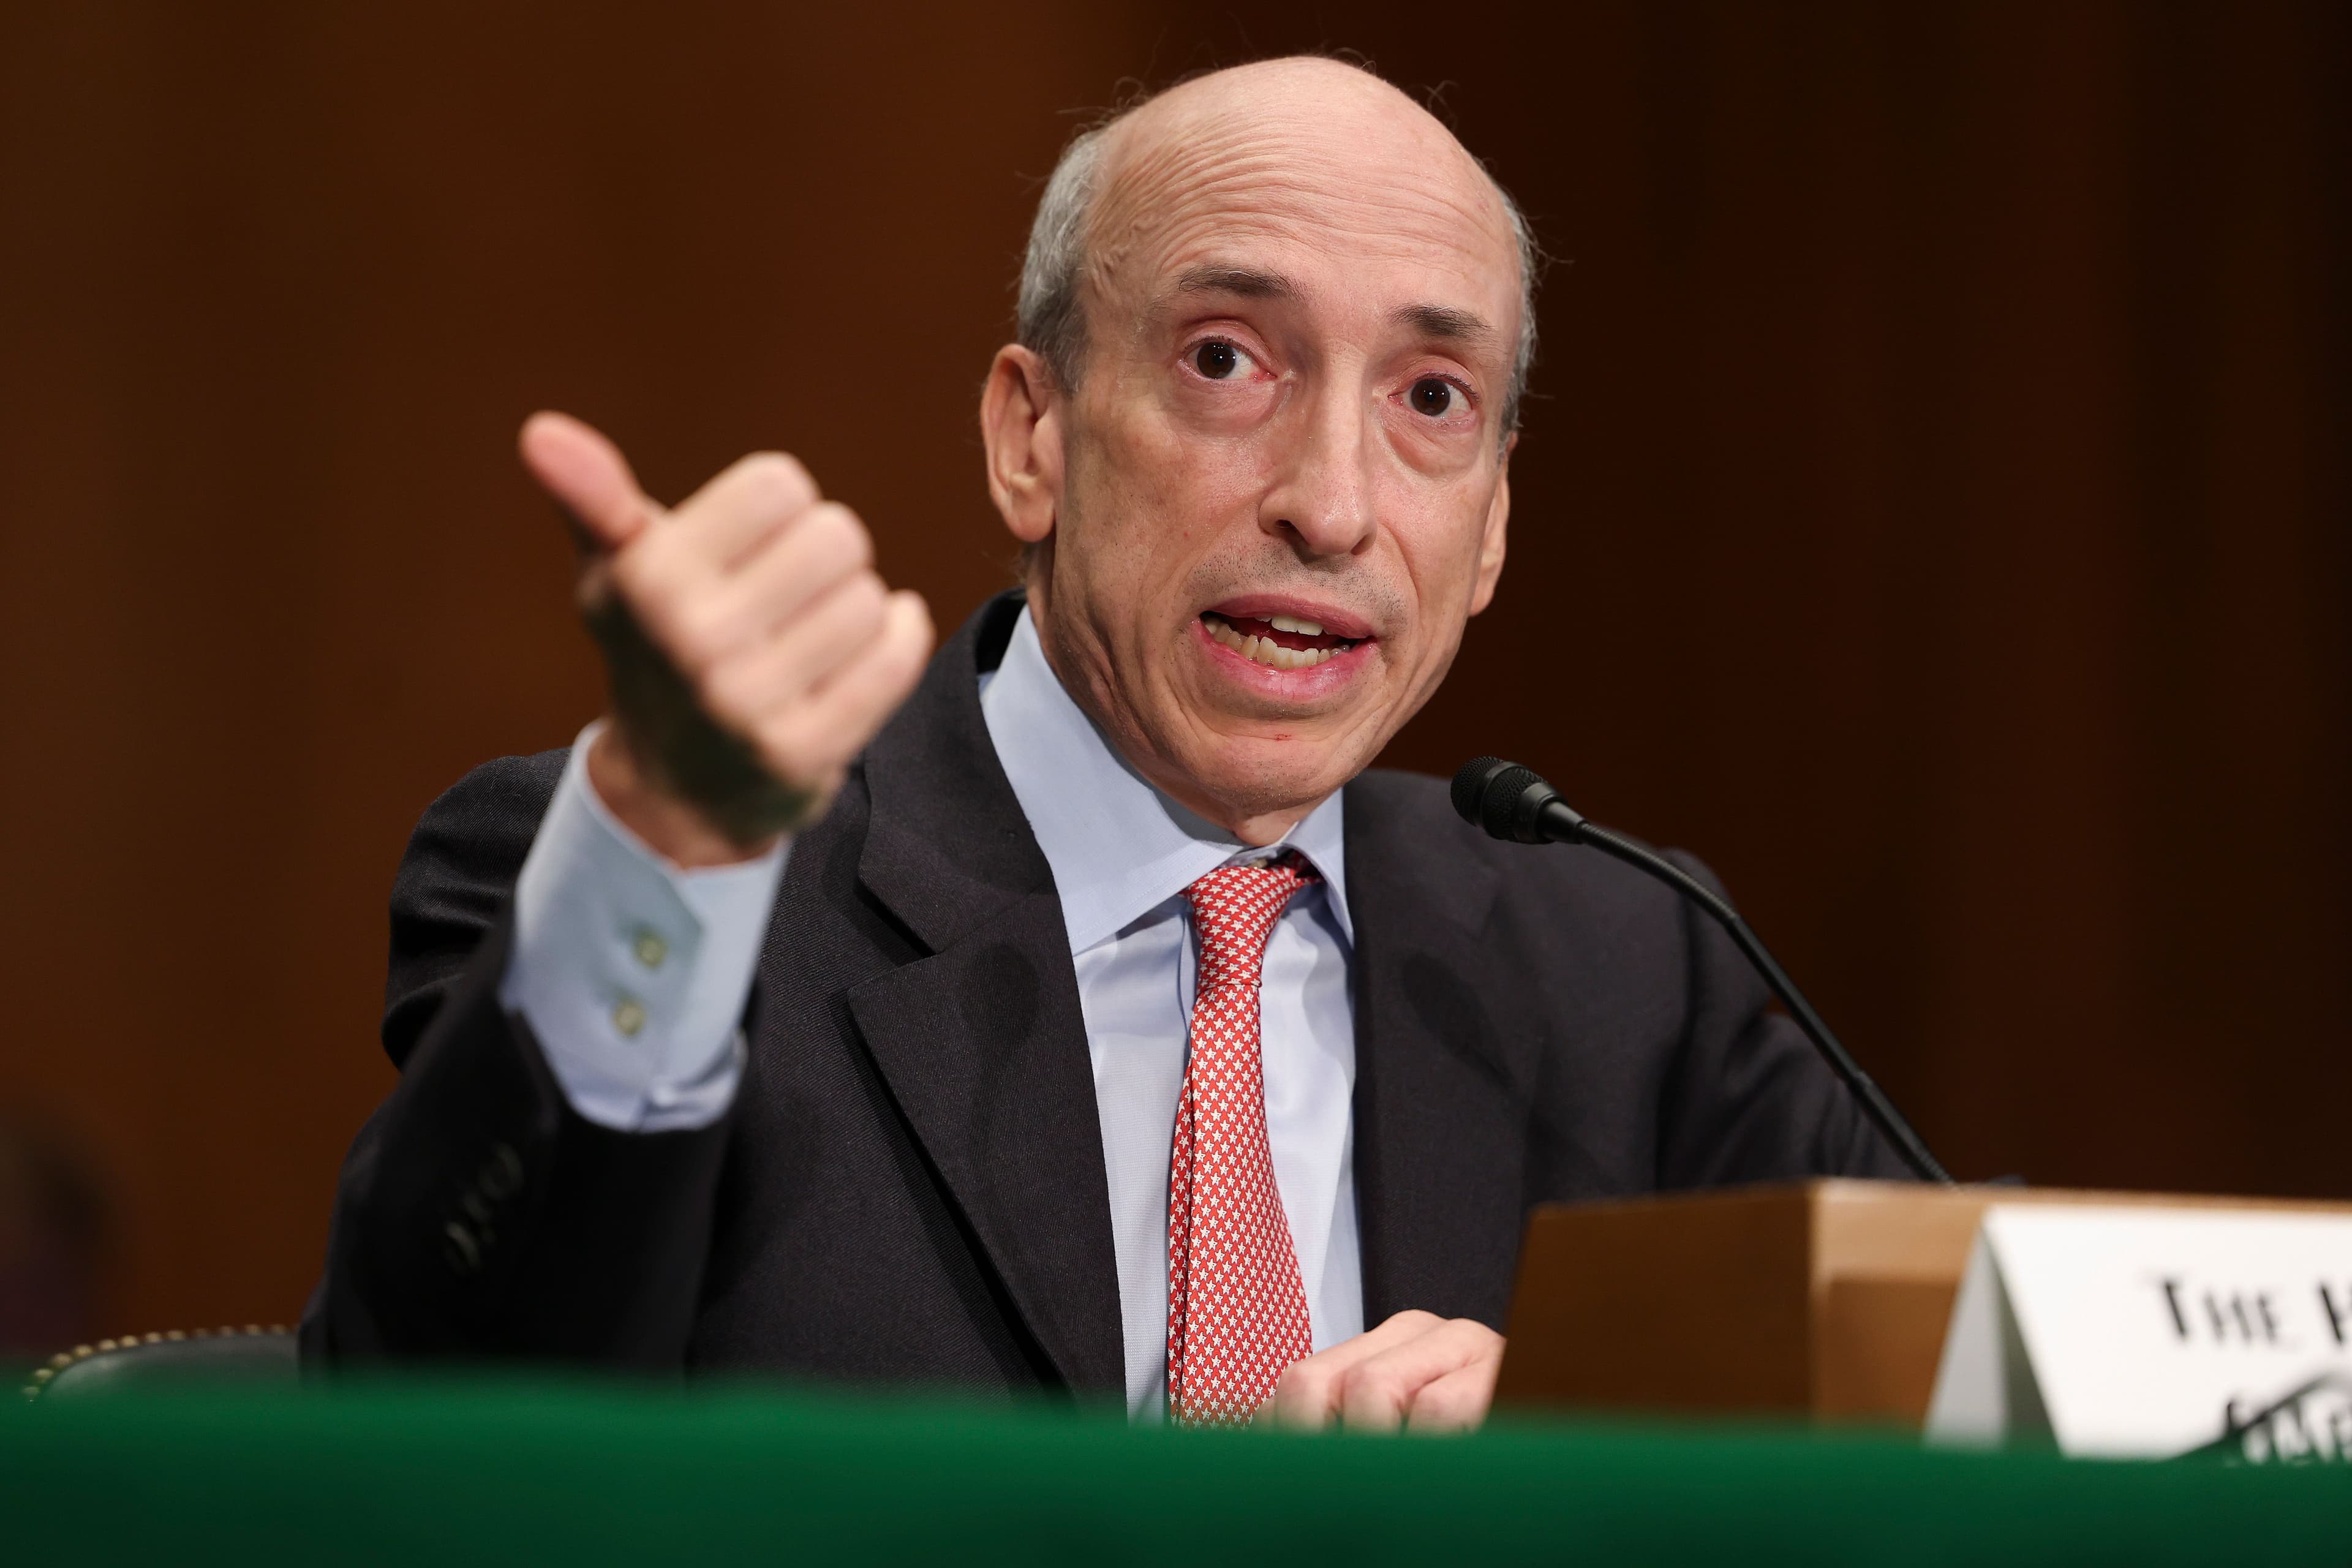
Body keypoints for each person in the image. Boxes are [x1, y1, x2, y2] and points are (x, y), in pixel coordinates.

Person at [306, 56, 1907, 1431]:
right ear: (1033, 435)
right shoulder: (680, 899)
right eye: (1228, 361)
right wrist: (659, 845)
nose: (1333, 505)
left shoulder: (1630, 967)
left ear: (1491, 528)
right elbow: (431, 1441)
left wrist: (1585, 1444)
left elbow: (1999, 1383)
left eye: (1432, 398)